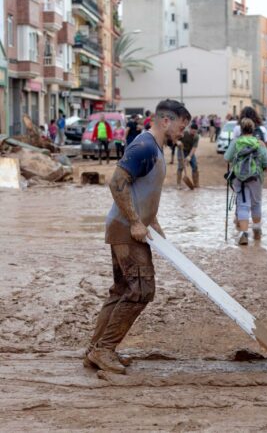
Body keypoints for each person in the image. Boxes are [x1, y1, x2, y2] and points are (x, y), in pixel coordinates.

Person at [84, 99, 191, 374]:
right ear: (166, 121)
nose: (183, 132)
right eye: (182, 126)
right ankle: (104, 350)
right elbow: (117, 182)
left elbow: (143, 195)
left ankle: (96, 350)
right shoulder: (144, 146)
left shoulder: (154, 148)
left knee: (121, 290)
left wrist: (154, 227)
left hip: (128, 228)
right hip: (126, 229)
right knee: (141, 290)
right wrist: (134, 222)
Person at [224, 118, 267, 246]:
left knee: (243, 204)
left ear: (241, 129)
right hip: (256, 178)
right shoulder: (259, 143)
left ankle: (243, 234)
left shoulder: (236, 142)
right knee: (256, 204)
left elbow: (227, 158)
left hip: (239, 179)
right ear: (253, 129)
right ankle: (256, 229)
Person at [177, 122, 200, 189]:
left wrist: (189, 156)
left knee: (195, 166)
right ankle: (179, 184)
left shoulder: (196, 137)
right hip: (181, 150)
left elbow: (194, 147)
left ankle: (196, 184)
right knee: (180, 167)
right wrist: (177, 142)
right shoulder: (184, 133)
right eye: (193, 131)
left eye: (195, 131)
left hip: (190, 151)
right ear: (190, 129)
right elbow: (175, 138)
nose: (193, 132)